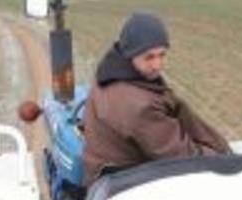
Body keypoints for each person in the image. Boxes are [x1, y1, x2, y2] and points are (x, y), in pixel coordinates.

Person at [82, 12, 231, 187]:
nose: (157, 65)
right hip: (119, 180)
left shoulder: (112, 71)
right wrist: (222, 161)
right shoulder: (136, 105)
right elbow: (182, 156)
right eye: (149, 57)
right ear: (130, 55)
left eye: (162, 55)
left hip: (109, 164)